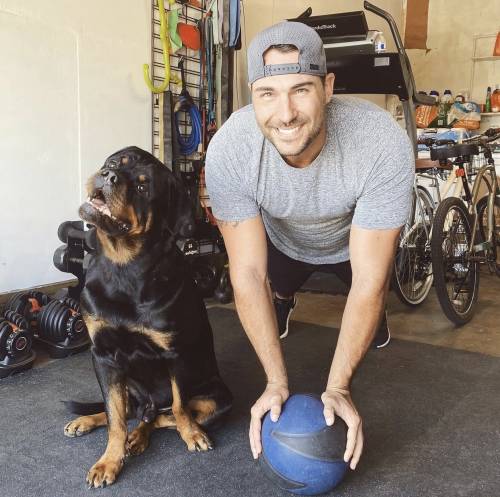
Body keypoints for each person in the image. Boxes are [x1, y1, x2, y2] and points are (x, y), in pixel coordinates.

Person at [205, 21, 414, 470]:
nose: (285, 114)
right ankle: (285, 298)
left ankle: (369, 321)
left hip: (350, 244)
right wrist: (274, 382)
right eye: (267, 94)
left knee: (371, 304)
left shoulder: (380, 141)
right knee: (273, 286)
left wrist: (337, 388)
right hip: (284, 243)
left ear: (328, 87)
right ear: (252, 95)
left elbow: (369, 279)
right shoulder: (230, 150)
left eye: (300, 90)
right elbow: (247, 274)